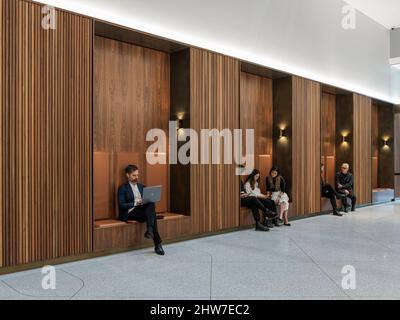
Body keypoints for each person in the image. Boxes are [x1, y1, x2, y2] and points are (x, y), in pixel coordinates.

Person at [118, 164, 165, 255]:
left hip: (142, 210)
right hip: (130, 212)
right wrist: (136, 203)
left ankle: (149, 230)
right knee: (153, 216)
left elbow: (147, 200)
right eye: (134, 175)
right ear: (127, 175)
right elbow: (121, 205)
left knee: (151, 203)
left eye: (137, 175)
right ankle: (157, 244)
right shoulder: (122, 188)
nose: (136, 177)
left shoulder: (141, 186)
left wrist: (144, 201)